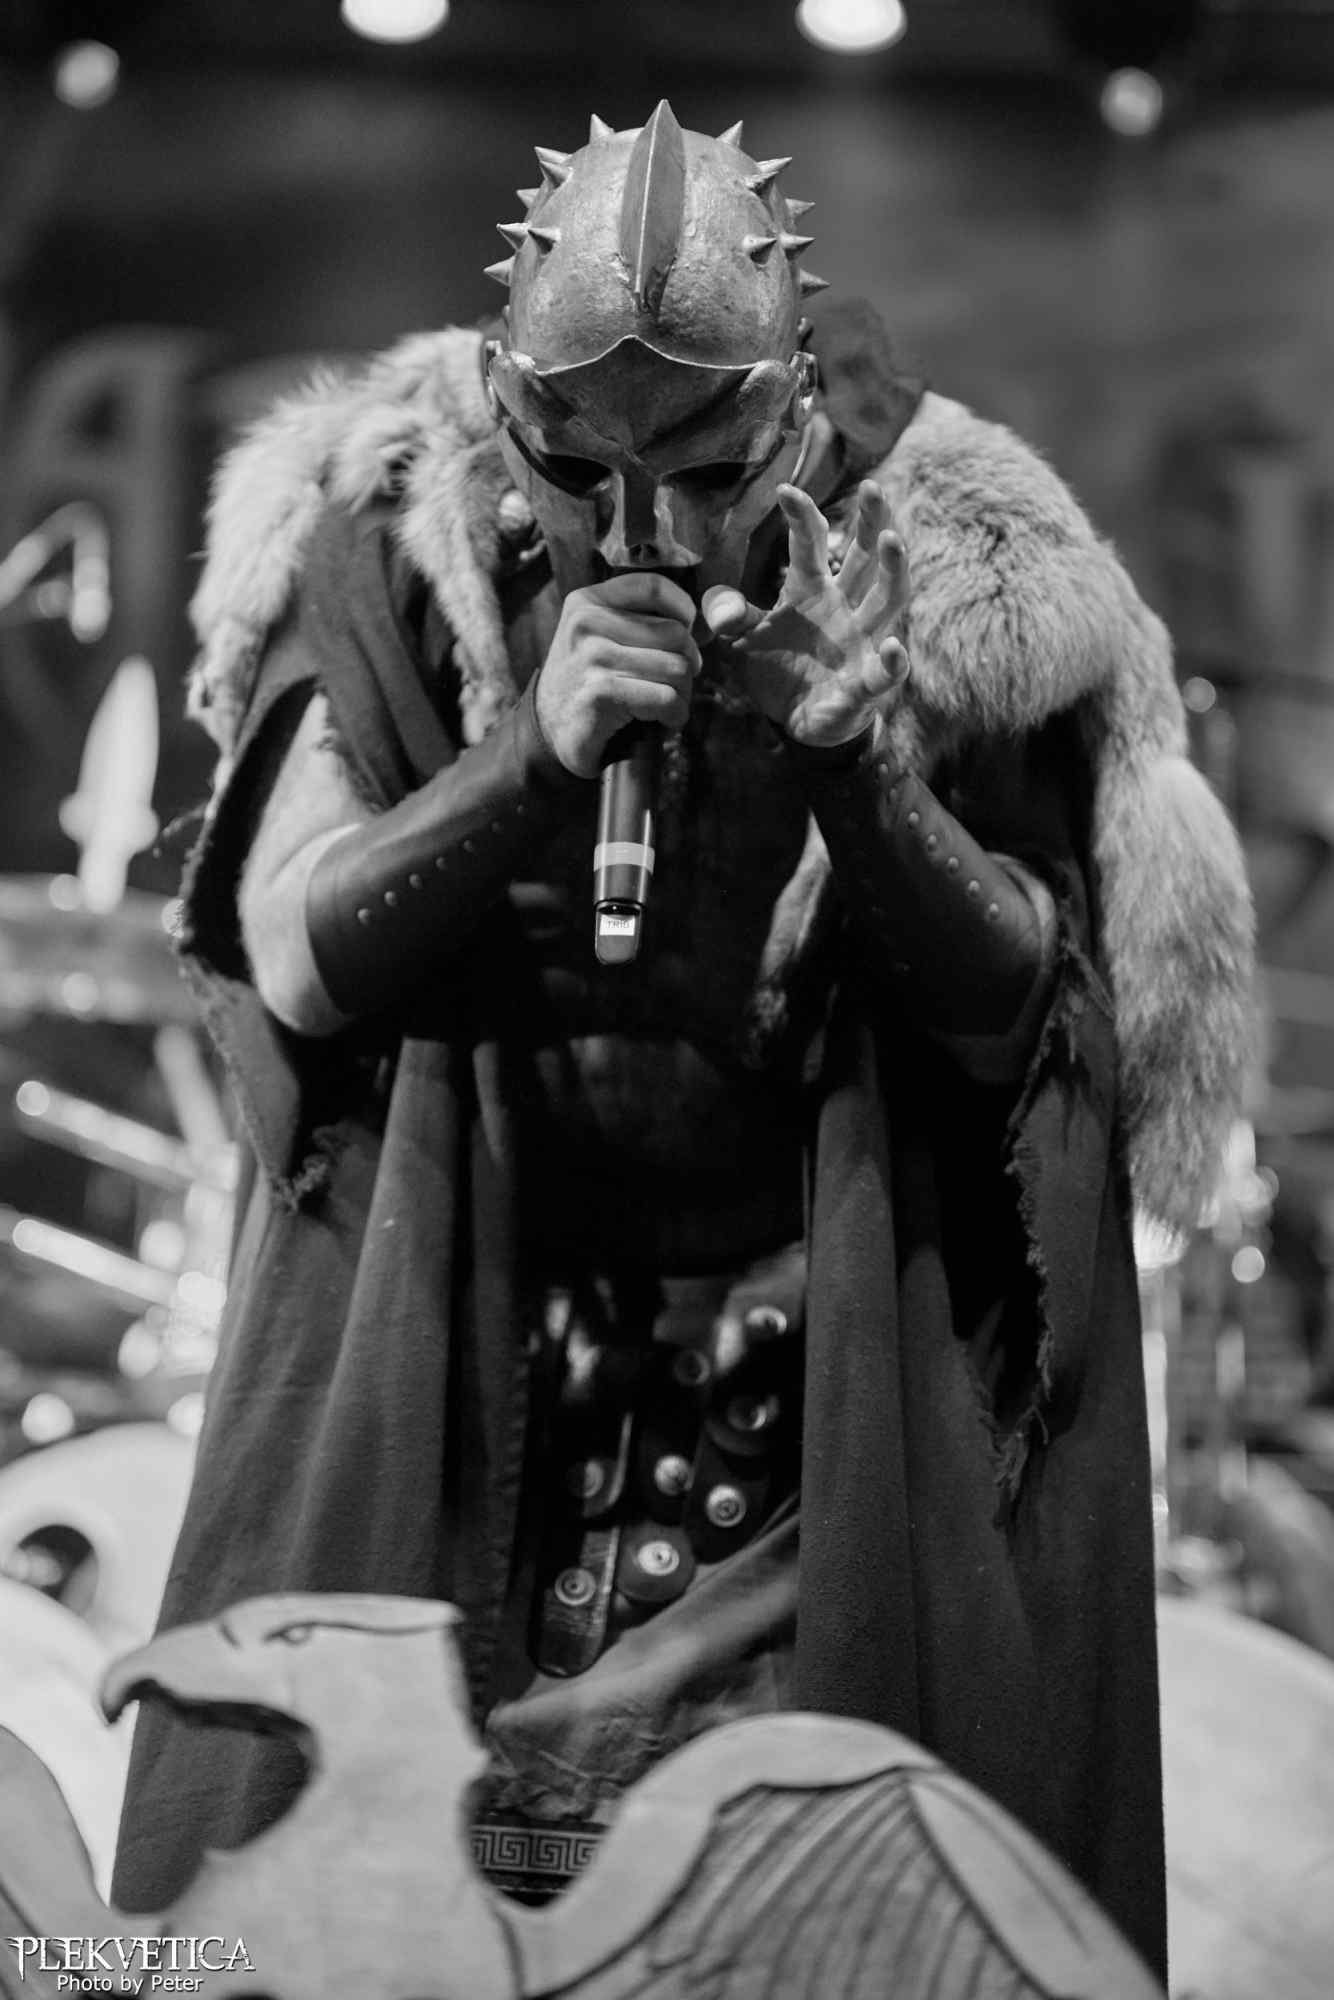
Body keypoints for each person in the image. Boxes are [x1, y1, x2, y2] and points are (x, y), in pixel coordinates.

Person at [113, 105, 1253, 1976]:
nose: (640, 520)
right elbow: (294, 960)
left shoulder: (959, 560)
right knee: (377, 1924)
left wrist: (858, 768)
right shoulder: (398, 530)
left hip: (815, 1416)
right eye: (578, 463)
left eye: (705, 463)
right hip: (469, 1364)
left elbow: (1025, 1032)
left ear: (787, 408)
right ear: (505, 399)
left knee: (786, 1935)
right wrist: (525, 761)